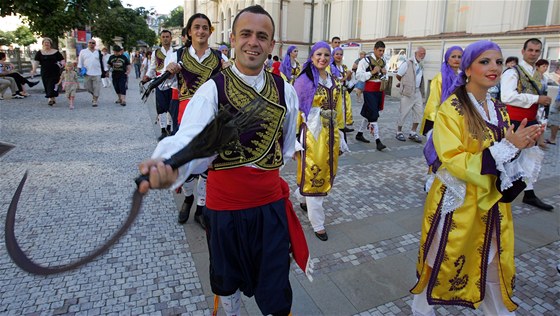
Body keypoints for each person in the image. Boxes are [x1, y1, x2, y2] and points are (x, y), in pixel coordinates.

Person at [138, 5, 305, 315]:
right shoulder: (211, 91)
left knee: (275, 286)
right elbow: (188, 142)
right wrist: (166, 166)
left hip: (270, 209)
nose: (253, 42)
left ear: (271, 44)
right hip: (225, 209)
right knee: (226, 281)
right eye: (246, 34)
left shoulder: (287, 92)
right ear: (232, 38)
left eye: (262, 36)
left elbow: (286, 143)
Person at [411, 40, 545, 316]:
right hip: (458, 203)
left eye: (497, 61)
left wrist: (522, 145)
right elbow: (453, 159)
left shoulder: (498, 108)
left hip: (491, 201)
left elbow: (505, 154)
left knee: (493, 264)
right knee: (442, 262)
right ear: (468, 68)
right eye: (485, 61)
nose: (494, 67)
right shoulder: (452, 108)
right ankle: (422, 311)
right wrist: (508, 146)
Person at [165, 13, 225, 227]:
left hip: (211, 118)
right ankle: (188, 199)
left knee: (208, 164)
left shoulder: (219, 58)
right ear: (189, 32)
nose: (201, 31)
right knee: (185, 162)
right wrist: (169, 73)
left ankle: (201, 207)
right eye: (196, 27)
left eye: (204, 27)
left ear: (210, 31)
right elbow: (164, 87)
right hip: (185, 115)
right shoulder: (177, 55)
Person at [293, 41, 346, 242]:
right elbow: (295, 110)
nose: (322, 58)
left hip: (330, 135)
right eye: (319, 55)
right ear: (312, 56)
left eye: (326, 55)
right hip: (312, 137)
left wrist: (340, 134)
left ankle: (301, 196)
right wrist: (294, 139)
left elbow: (339, 107)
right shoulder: (304, 80)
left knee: (325, 171)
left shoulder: (332, 78)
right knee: (315, 174)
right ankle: (318, 223)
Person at [501, 38, 554, 211]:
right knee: (510, 158)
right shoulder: (512, 72)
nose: (533, 53)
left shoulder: (538, 74)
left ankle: (529, 194)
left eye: (537, 51)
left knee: (530, 156)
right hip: (514, 121)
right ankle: (501, 191)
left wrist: (541, 120)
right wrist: (536, 99)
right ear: (523, 51)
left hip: (531, 120)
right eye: (530, 50)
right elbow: (507, 96)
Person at [420, 46, 463, 135]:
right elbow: (434, 100)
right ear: (447, 58)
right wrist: (432, 121)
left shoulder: (461, 77)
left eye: (459, 57)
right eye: (453, 56)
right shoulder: (440, 77)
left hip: (456, 117)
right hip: (442, 117)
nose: (457, 59)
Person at [355, 40, 388, 150]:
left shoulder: (383, 61)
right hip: (369, 90)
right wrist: (372, 72)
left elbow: (384, 78)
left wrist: (384, 74)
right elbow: (359, 76)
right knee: (373, 115)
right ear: (374, 49)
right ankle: (378, 141)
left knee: (368, 112)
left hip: (379, 90)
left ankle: (359, 134)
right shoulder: (366, 60)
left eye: (383, 51)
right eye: (380, 50)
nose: (381, 53)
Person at [144, 30, 175, 141]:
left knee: (171, 106)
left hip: (173, 83)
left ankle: (169, 127)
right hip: (160, 82)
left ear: (171, 38)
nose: (165, 38)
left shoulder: (176, 52)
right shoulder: (156, 53)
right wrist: (147, 77)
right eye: (163, 37)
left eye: (167, 36)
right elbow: (152, 67)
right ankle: (162, 130)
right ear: (160, 38)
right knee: (161, 107)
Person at [395, 46, 426, 143]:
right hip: (408, 92)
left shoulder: (421, 64)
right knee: (403, 112)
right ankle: (398, 132)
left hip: (417, 91)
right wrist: (404, 84)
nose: (423, 55)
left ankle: (413, 132)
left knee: (419, 112)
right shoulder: (408, 63)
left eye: (424, 54)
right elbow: (398, 75)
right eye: (421, 53)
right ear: (416, 53)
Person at [31, 37, 65, 106]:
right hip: (45, 71)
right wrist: (33, 70)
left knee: (52, 84)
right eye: (45, 42)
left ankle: (51, 98)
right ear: (42, 44)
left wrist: (61, 65)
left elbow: (62, 60)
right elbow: (36, 62)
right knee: (47, 84)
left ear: (50, 44)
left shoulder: (55, 52)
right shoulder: (39, 53)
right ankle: (51, 98)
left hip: (54, 71)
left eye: (48, 42)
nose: (46, 44)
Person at [331, 47, 355, 133]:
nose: (339, 56)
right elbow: (335, 80)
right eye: (337, 54)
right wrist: (346, 76)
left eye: (341, 54)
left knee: (345, 108)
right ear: (333, 55)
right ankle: (337, 127)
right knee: (338, 108)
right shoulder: (331, 67)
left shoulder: (343, 67)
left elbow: (347, 80)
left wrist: (349, 76)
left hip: (344, 91)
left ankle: (343, 125)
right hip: (336, 92)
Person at [77, 39, 105, 107]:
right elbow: (80, 61)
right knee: (87, 87)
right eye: (90, 42)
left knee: (97, 87)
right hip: (87, 72)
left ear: (95, 44)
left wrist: (105, 70)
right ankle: (95, 94)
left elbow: (102, 62)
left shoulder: (98, 52)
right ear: (88, 43)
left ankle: (95, 100)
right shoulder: (83, 51)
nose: (91, 44)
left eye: (93, 43)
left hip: (97, 72)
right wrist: (79, 69)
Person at [535, 59, 550, 148]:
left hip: (542, 102)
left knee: (542, 121)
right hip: (535, 100)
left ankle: (540, 140)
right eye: (543, 66)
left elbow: (545, 91)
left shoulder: (545, 78)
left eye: (546, 67)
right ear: (538, 67)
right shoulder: (534, 77)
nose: (545, 68)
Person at [546, 67, 560, 145]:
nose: (557, 72)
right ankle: (552, 138)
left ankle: (552, 139)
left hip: (558, 102)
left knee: (554, 120)